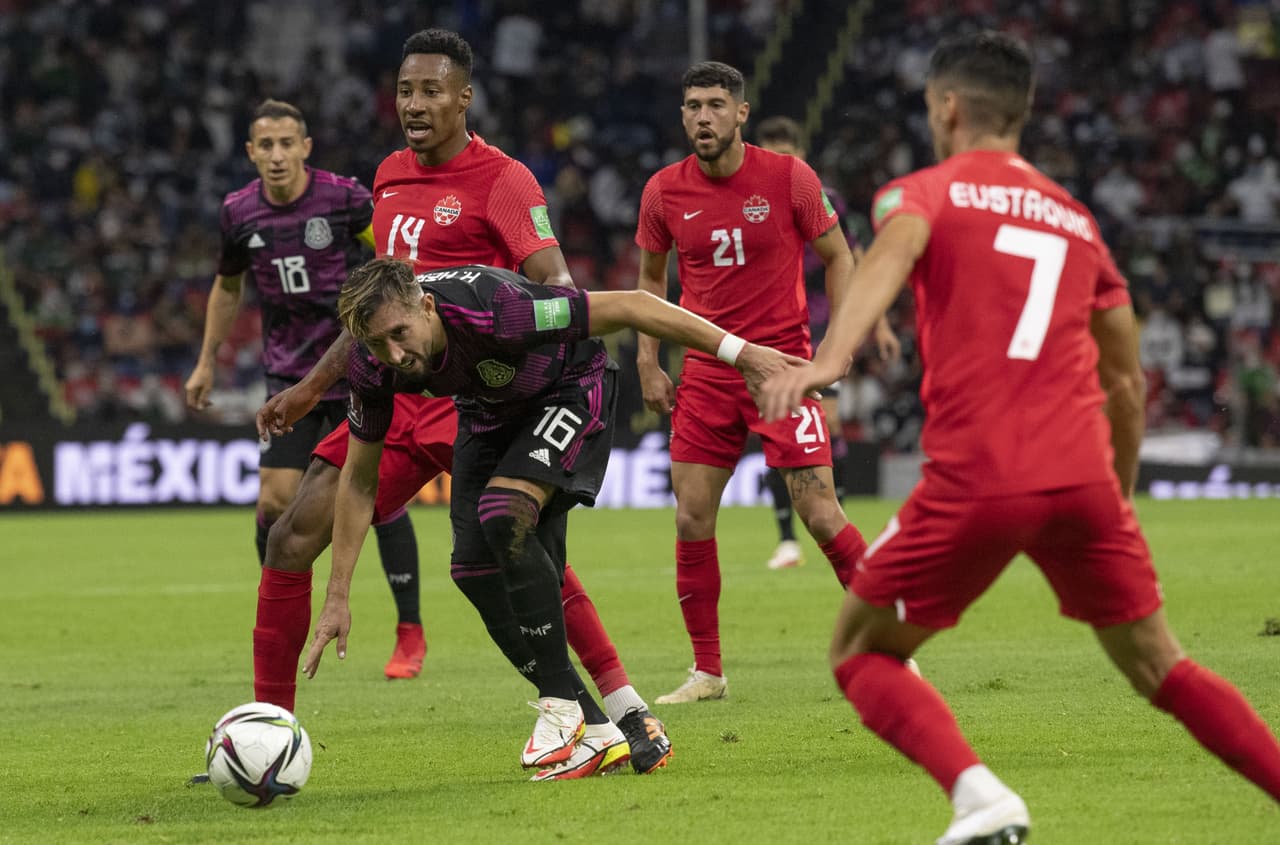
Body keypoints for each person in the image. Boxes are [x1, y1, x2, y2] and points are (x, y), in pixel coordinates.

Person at [758, 31, 1280, 844]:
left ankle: (980, 797)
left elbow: (888, 258)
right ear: (1024, 112)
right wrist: (1120, 498)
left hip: (983, 475)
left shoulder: (920, 192)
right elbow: (1126, 384)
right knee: (1163, 667)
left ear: (949, 106)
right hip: (1083, 480)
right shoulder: (1079, 221)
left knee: (862, 650)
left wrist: (830, 356)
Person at [252, 28, 671, 775]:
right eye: (406, 90)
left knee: (520, 548)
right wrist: (316, 385)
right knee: (290, 537)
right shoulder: (387, 177)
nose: (414, 104)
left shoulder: (504, 180)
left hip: (478, 396)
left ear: (463, 97)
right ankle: (267, 734)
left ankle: (624, 708)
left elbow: (559, 290)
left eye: (430, 91)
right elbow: (375, 306)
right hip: (391, 390)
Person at [302, 258, 790, 781]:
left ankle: (560, 704)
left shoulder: (501, 311)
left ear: (426, 305)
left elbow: (633, 305)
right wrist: (336, 596)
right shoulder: (371, 364)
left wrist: (743, 354)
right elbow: (357, 480)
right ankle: (600, 730)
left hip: (574, 388)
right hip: (488, 417)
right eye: (378, 344)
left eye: (399, 334)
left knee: (504, 514)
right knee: (471, 570)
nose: (394, 355)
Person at [633, 62, 890, 704]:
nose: (703, 117)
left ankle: (888, 650)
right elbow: (649, 283)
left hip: (783, 376)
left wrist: (834, 350)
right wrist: (646, 360)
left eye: (716, 105)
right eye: (692, 105)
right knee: (691, 519)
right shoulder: (664, 191)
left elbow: (839, 257)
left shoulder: (789, 178)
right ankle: (708, 673)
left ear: (741, 113)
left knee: (821, 514)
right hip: (705, 376)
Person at [183, 99, 424, 680]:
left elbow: (395, 259)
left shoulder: (343, 199)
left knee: (377, 497)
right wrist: (206, 360)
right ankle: (285, 598)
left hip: (356, 366)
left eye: (286, 143)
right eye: (265, 146)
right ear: (250, 153)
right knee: (273, 501)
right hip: (288, 376)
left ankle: (409, 631)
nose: (276, 156)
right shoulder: (239, 212)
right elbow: (226, 287)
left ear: (305, 147)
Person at [754, 115, 899, 572]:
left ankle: (837, 522)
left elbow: (854, 261)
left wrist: (879, 325)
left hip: (817, 329)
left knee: (827, 424)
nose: (779, 159)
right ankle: (787, 540)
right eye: (770, 150)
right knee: (777, 429)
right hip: (767, 331)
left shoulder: (822, 198)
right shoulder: (748, 200)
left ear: (800, 153)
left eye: (786, 150)